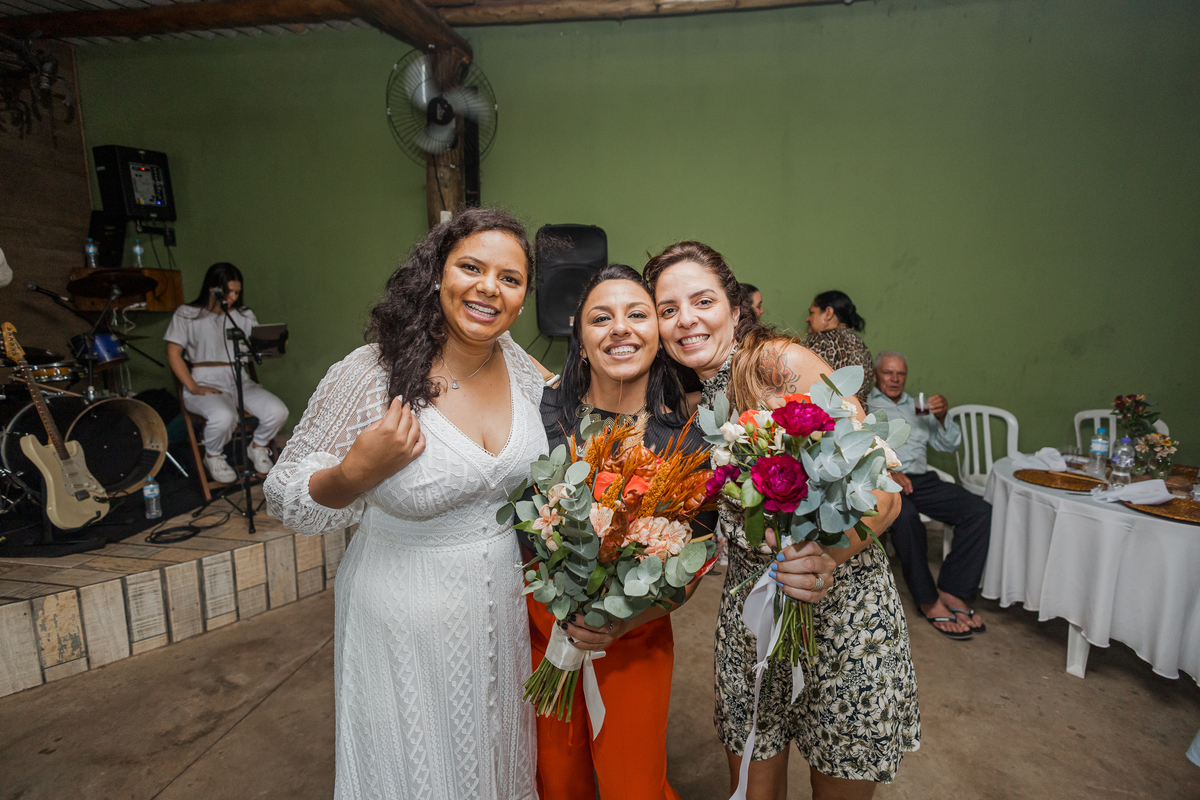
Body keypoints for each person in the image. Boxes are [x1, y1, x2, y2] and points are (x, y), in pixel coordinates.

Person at [264, 209, 547, 800]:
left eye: (510, 278)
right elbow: (285, 495)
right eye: (470, 267)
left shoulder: (519, 366)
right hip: (401, 617)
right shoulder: (372, 372)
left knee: (495, 756)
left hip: (500, 604)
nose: (488, 287)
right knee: (420, 770)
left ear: (523, 297)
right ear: (436, 274)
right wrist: (352, 473)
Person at [645, 242, 914, 800]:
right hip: (750, 617)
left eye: (702, 301)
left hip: (844, 615)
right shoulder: (683, 401)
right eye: (668, 309)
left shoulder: (779, 364)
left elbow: (886, 490)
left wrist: (827, 557)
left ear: (736, 309)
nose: (686, 319)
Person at [530, 264, 717, 800]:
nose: (621, 328)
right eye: (601, 317)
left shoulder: (688, 437)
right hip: (545, 631)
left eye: (637, 314)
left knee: (632, 785)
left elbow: (697, 558)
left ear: (658, 336)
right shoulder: (542, 416)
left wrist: (619, 621)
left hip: (636, 635)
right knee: (556, 780)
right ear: (580, 339)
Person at [867, 351, 992, 640]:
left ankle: (954, 591)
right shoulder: (866, 405)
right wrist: (886, 469)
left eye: (900, 374)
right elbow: (858, 447)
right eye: (888, 373)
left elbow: (949, 445)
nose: (895, 379)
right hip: (885, 479)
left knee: (979, 511)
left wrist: (943, 417)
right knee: (906, 517)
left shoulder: (917, 406)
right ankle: (927, 599)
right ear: (876, 375)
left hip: (922, 479)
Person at [165, 262, 288, 482]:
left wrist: (265, 345)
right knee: (224, 416)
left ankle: (257, 446)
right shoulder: (187, 314)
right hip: (203, 379)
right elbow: (173, 353)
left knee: (278, 411)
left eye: (236, 292)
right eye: (228, 291)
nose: (232, 296)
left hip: (239, 378)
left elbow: (254, 349)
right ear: (212, 288)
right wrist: (193, 386)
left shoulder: (243, 315)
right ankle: (212, 456)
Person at [804, 290, 874, 408]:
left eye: (812, 313)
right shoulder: (863, 347)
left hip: (825, 422)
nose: (808, 319)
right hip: (859, 422)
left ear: (828, 313)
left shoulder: (819, 340)